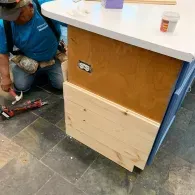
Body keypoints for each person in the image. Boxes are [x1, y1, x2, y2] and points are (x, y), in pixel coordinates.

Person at [0, 0, 66, 92]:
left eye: (19, 14)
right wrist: (5, 78)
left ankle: (46, 69)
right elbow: (2, 53)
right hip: (28, 58)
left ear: (30, 6)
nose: (14, 19)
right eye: (10, 16)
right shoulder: (5, 24)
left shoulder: (46, 7)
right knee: (21, 86)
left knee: (62, 84)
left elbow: (73, 24)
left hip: (52, 55)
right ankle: (32, 69)